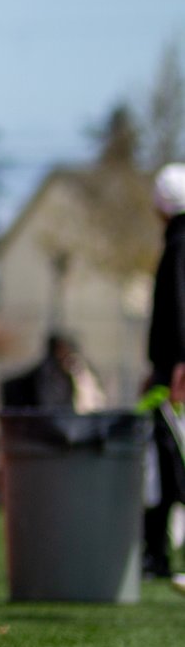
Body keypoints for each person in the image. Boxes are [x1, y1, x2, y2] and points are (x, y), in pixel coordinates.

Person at [143, 164, 185, 585]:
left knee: (172, 455)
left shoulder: (179, 244)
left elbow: (179, 307)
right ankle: (156, 551)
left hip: (174, 371)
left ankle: (160, 553)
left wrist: (177, 364)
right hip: (168, 368)